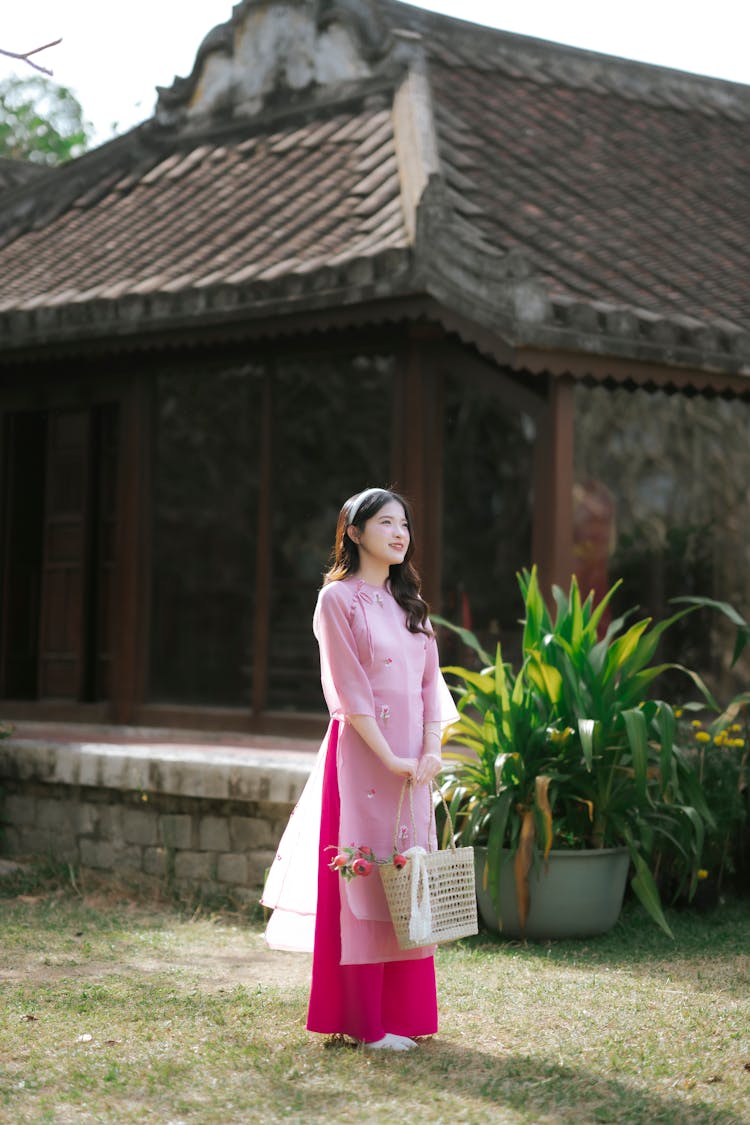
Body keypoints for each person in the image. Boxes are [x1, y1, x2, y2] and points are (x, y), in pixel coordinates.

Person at [261, 487, 456, 1052]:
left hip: (412, 771)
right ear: (353, 531)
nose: (400, 533)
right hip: (363, 761)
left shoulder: (411, 605)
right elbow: (347, 690)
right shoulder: (337, 601)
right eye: (386, 523)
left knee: (408, 877)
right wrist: (389, 755)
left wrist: (430, 751)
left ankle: (402, 1013)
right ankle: (365, 1022)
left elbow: (429, 689)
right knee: (366, 879)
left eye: (405, 525)